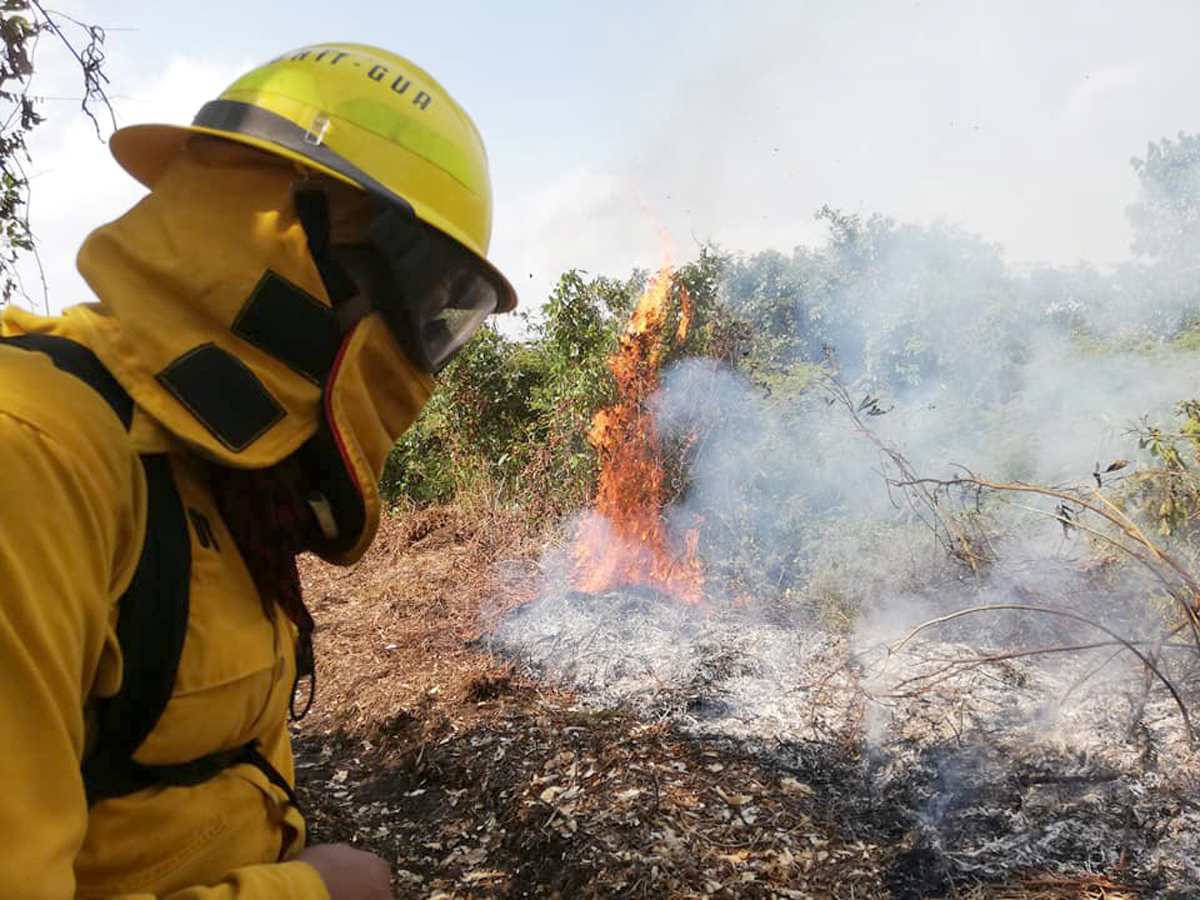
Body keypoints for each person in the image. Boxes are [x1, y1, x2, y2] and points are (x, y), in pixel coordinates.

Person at [0, 42, 516, 899]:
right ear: (289, 247)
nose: (415, 355)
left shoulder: (228, 468)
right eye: (417, 304)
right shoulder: (35, 459)